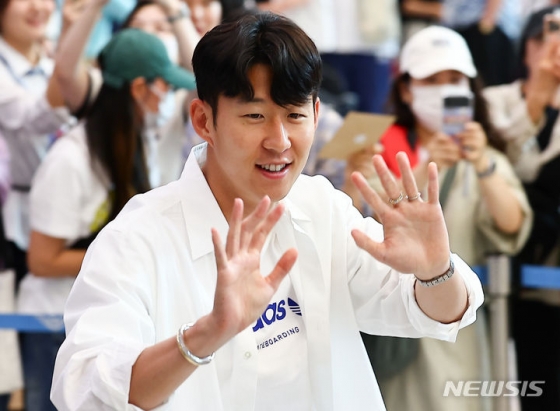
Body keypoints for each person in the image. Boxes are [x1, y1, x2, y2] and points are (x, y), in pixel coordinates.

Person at [51, 12, 484, 410]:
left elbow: (436, 313)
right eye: (255, 116)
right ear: (203, 120)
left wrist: (435, 270)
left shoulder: (323, 210)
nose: (279, 141)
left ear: (316, 114)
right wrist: (207, 334)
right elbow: (86, 389)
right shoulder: (136, 239)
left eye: (294, 115)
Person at [353, 25, 532, 411]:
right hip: (396, 322)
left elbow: (512, 225)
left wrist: (482, 165)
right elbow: (367, 219)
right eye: (431, 80)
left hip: (460, 320)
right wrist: (423, 168)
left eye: (454, 79)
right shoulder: (379, 154)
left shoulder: (484, 158)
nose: (445, 90)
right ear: (406, 89)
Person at [19, 28, 195, 411]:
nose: (169, 97)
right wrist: (126, 254)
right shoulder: (70, 160)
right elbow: (42, 259)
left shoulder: (137, 145)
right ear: (139, 88)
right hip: (52, 324)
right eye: (166, 86)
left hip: (106, 317)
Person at [484, 5, 560, 409]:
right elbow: (505, 169)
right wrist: (536, 99)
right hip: (510, 265)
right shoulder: (494, 100)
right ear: (528, 45)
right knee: (534, 387)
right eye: (551, 32)